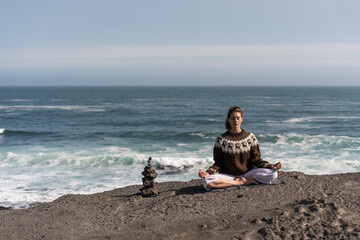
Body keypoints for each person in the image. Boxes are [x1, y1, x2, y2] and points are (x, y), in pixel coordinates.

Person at [198, 106, 282, 191]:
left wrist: (271, 166)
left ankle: (244, 179)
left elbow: (256, 160)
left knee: (273, 174)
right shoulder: (221, 139)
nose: (236, 121)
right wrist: (208, 173)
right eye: (233, 118)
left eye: (238, 118)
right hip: (228, 175)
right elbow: (218, 163)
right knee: (206, 181)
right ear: (228, 120)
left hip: (248, 173)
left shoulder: (250, 137)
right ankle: (241, 182)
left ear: (242, 119)